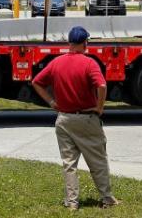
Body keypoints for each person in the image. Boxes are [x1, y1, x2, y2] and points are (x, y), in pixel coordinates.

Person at [31, 26, 118, 210]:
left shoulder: (56, 63)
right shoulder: (89, 63)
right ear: (85, 43)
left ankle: (72, 203)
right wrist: (100, 107)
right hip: (86, 118)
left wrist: (51, 102)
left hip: (64, 119)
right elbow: (101, 85)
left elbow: (36, 82)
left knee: (69, 164)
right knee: (98, 160)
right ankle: (107, 199)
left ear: (69, 42)